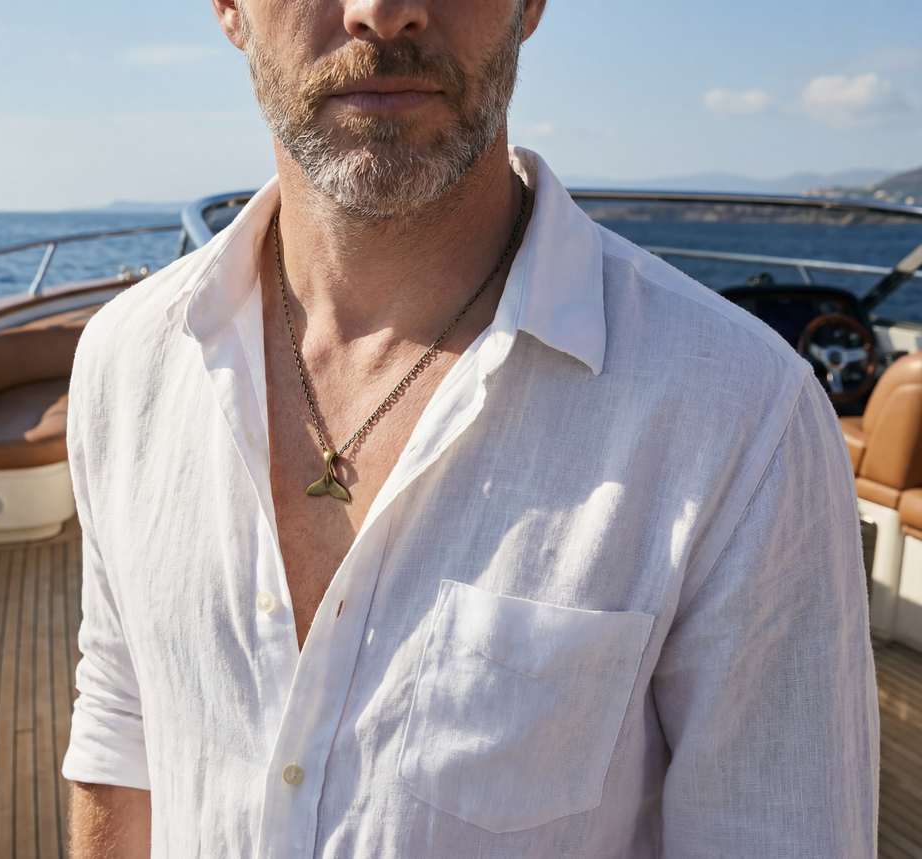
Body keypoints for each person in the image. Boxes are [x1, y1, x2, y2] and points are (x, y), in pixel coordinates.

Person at [62, 0, 879, 855]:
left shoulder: (743, 418)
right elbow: (125, 724)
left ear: (531, 5)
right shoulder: (128, 362)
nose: (383, 12)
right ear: (228, 7)